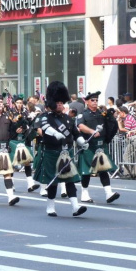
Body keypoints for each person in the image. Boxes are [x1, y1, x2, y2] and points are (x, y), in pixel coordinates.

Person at [33, 81, 87, 217]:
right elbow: (44, 127)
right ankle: (50, 207)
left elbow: (75, 133)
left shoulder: (68, 119)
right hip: (52, 152)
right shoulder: (45, 116)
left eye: (61, 103)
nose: (60, 105)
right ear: (52, 103)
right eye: (57, 103)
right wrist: (55, 133)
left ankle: (75, 207)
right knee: (53, 181)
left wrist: (82, 142)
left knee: (70, 180)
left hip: (66, 152)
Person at [77, 92, 120, 204]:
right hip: (88, 145)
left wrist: (110, 117)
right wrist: (92, 131)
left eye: (96, 100)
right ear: (86, 102)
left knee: (103, 169)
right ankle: (84, 194)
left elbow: (110, 126)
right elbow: (80, 126)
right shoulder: (83, 114)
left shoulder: (101, 114)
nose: (95, 102)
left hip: (100, 145)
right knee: (86, 171)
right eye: (92, 100)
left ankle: (108, 193)